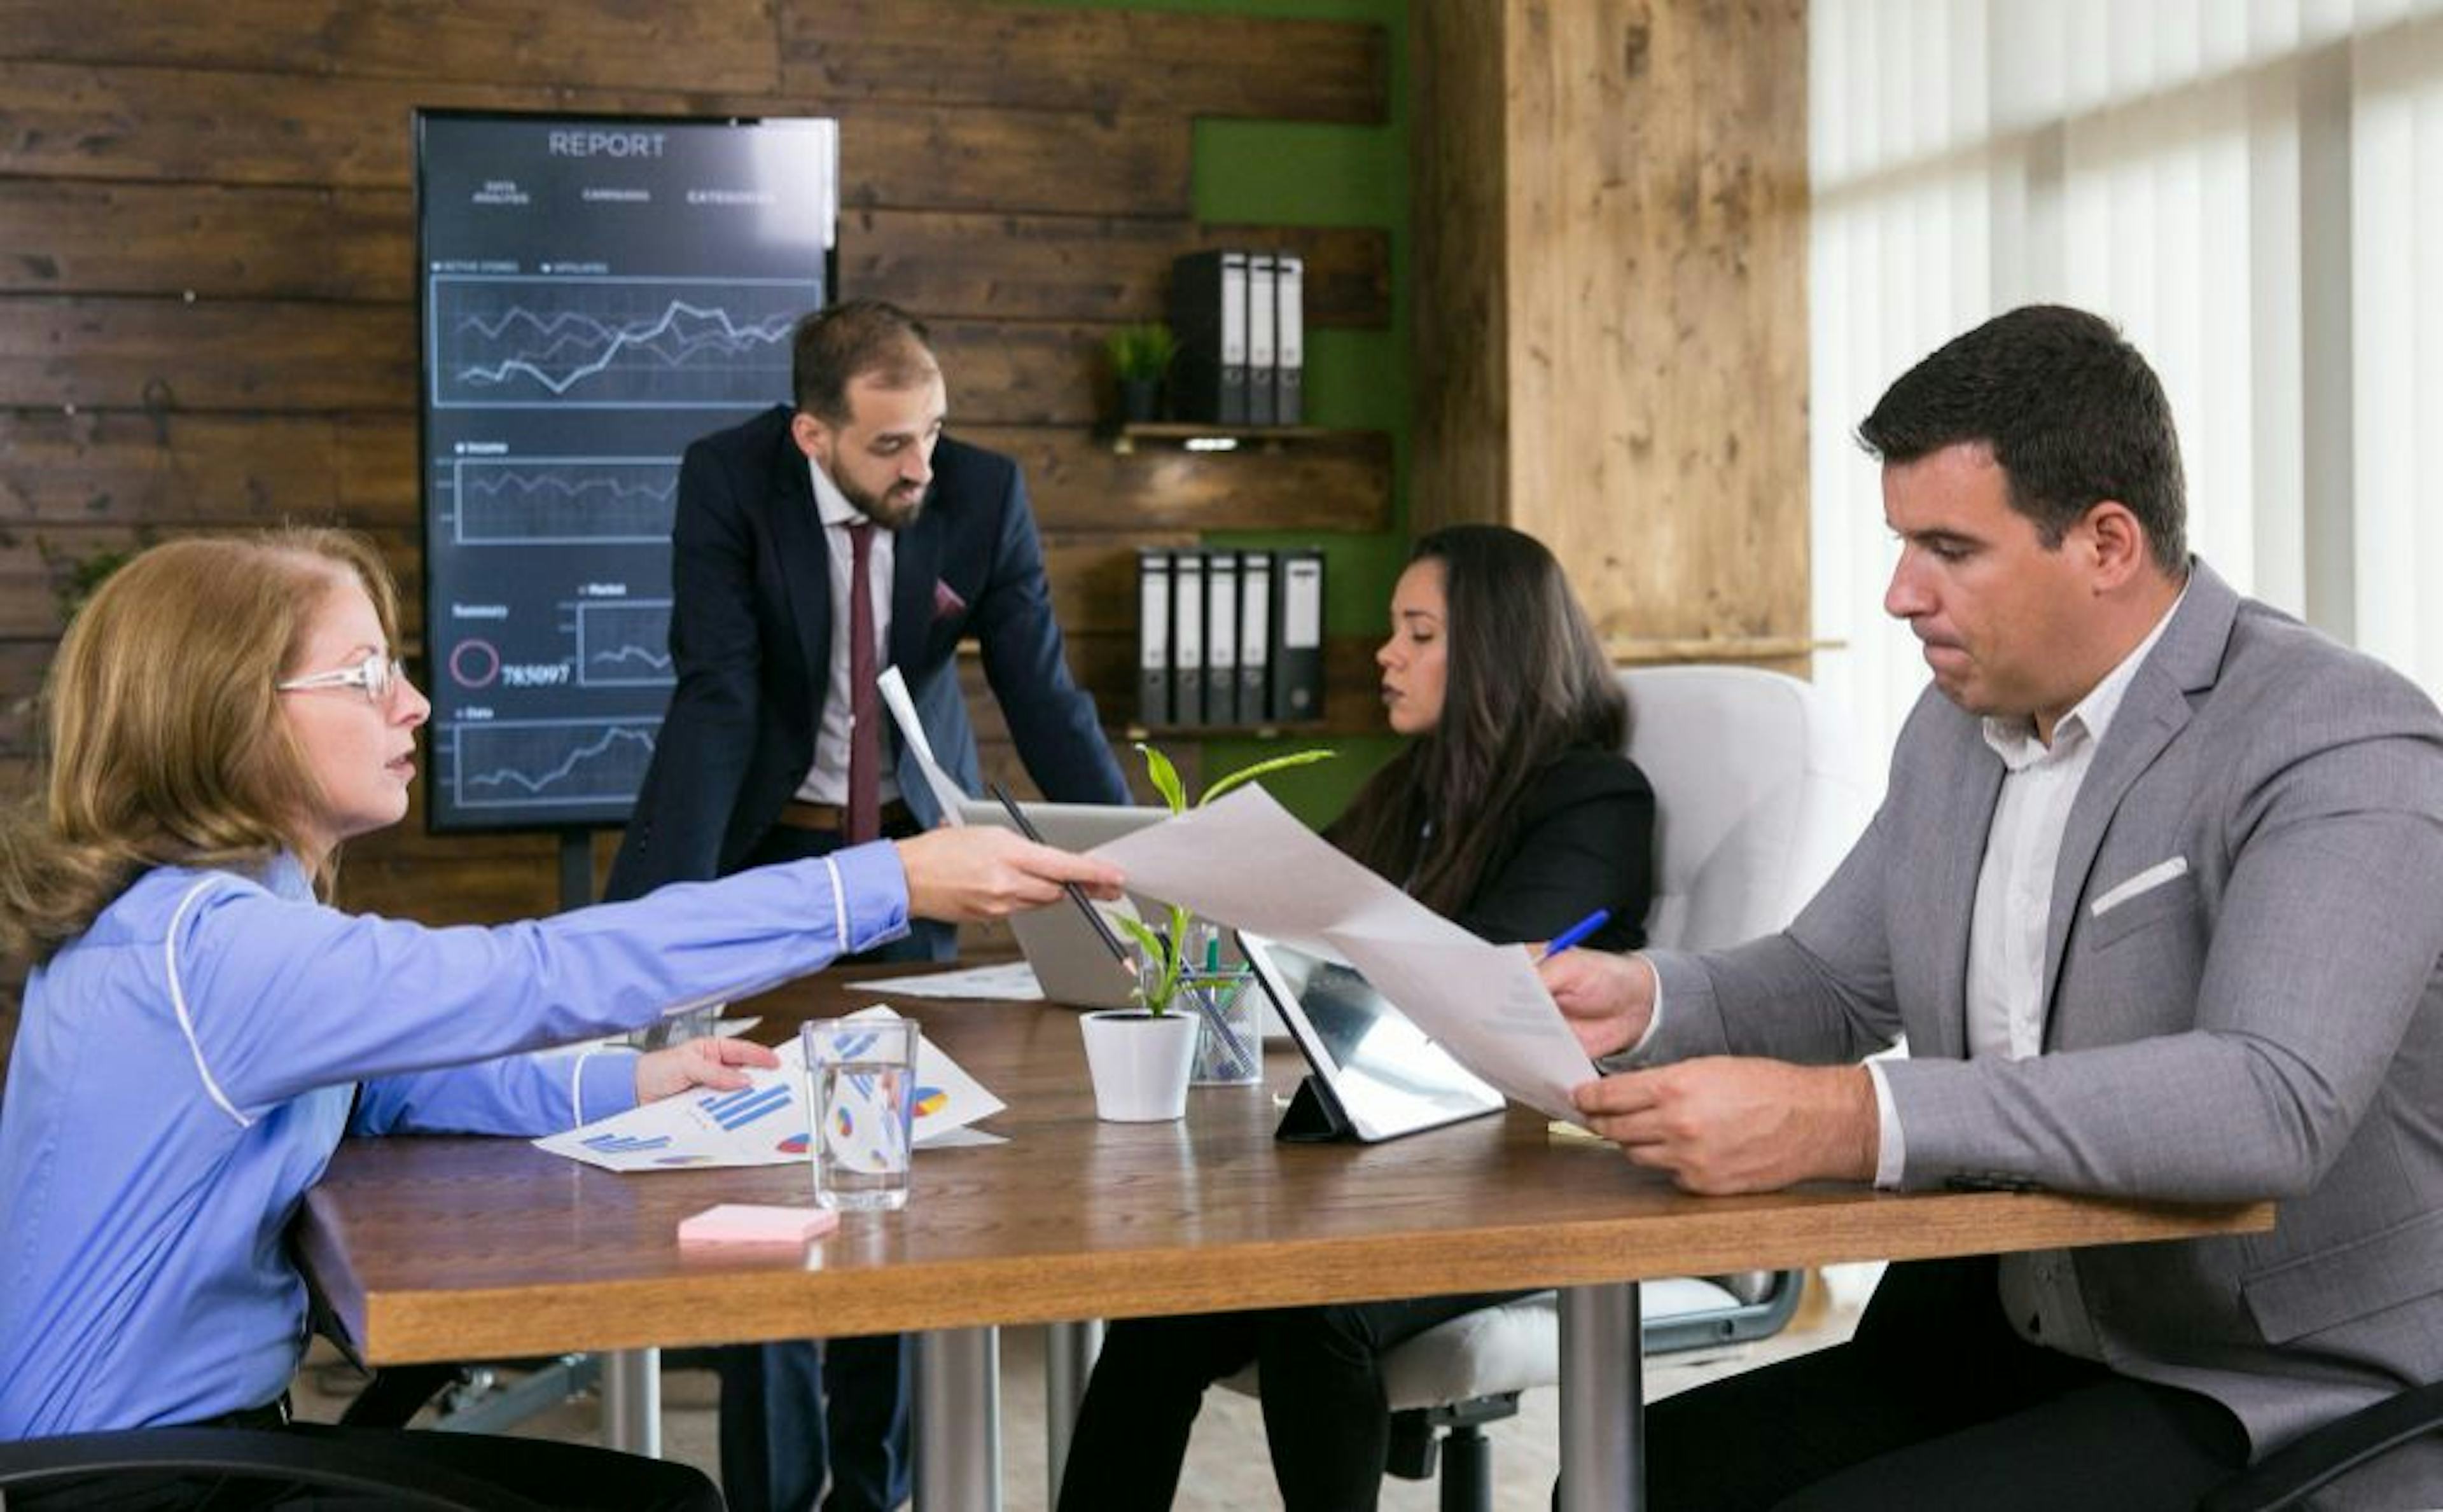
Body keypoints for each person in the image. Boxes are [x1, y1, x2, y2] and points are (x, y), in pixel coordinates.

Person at [0, 530, 1122, 1509]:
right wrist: (890, 880)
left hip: (154, 1453)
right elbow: (533, 973)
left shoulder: (202, 916)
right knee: (664, 1502)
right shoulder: (213, 949)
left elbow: (382, 1081)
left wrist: (626, 1084)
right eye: (364, 674)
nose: (414, 703)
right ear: (231, 711)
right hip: (140, 1482)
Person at [1542, 305, 2443, 1511]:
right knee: (1625, 1480)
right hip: (2026, 1314)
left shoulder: (2337, 735)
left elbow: (2268, 1097)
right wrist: (1642, 999)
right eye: (1902, 542)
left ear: (2108, 543)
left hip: (2274, 1367)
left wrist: (1854, 1120)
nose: (1900, 594)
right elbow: (1831, 978)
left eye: (1949, 549)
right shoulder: (1957, 728)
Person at [602, 297, 1129, 1512]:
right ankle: (776, 1498)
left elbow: (1043, 695)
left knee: (895, 1174)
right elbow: (719, 698)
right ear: (811, 435)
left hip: (913, 858)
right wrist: (636, 938)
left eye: (933, 434)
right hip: (765, 854)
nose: (921, 466)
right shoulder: (728, 482)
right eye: (891, 445)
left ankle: (877, 1489)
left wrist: (1133, 862)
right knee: (763, 1179)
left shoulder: (982, 496)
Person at [1057, 524, 1654, 1511]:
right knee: (1163, 1299)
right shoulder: (1411, 788)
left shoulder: (1592, 795)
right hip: (1397, 1146)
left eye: (1418, 633)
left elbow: (1481, 979)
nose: (1386, 654)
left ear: (1497, 650)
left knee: (1315, 1302)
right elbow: (1303, 918)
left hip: (1515, 1162)